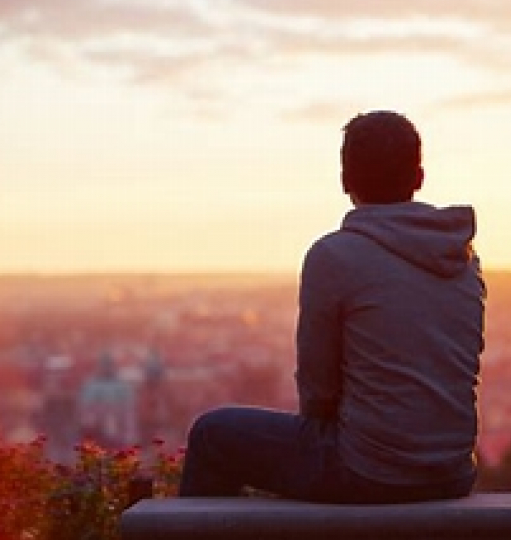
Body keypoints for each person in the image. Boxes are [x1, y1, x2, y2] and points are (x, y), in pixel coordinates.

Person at [178, 110, 486, 503]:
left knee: (212, 434)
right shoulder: (462, 257)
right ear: (419, 178)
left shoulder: (334, 257)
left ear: (344, 181)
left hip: (369, 472)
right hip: (454, 473)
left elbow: (319, 391)